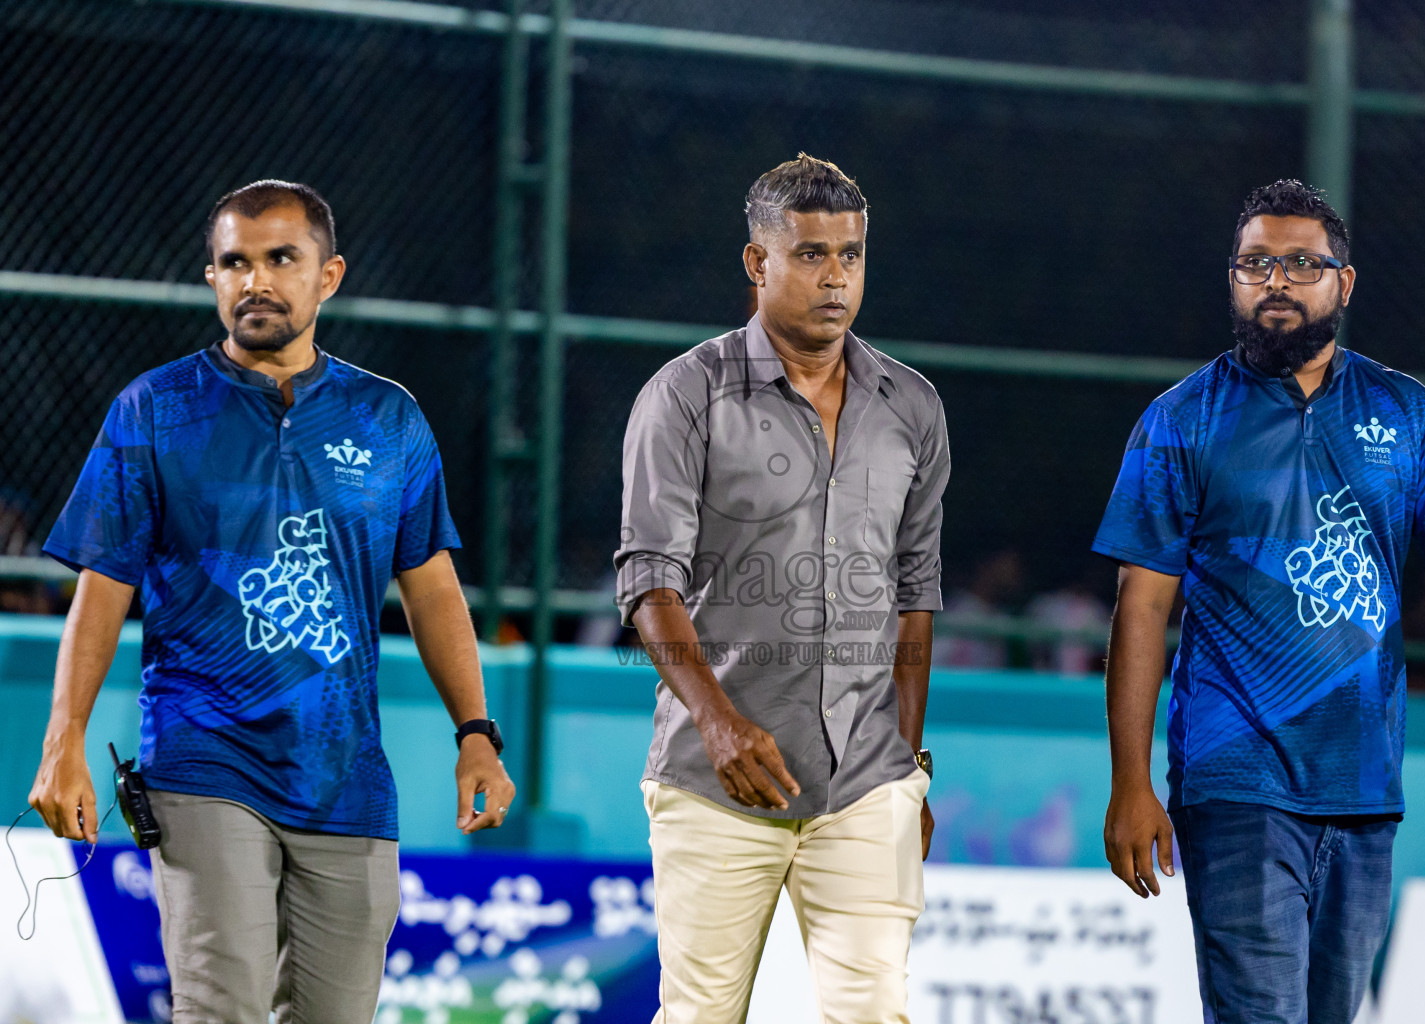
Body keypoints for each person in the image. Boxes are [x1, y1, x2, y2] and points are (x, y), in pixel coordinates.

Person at [28, 180, 516, 1024]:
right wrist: (62, 739)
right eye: (234, 263)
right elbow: (102, 589)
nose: (255, 280)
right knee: (222, 1008)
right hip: (204, 759)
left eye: (280, 259)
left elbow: (432, 587)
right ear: (212, 278)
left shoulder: (388, 418)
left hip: (349, 779)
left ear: (327, 276)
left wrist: (476, 734)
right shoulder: (153, 411)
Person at [1093, 179, 1425, 1024]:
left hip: (1366, 785)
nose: (1277, 280)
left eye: (1302, 263)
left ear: (1345, 282)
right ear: (1232, 278)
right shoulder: (1182, 420)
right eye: (1255, 263)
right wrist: (1130, 783)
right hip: (1236, 781)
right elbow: (1141, 608)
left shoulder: (1405, 413)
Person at [614, 153, 950, 1023]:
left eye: (851, 255)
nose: (835, 277)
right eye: (810, 255)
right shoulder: (686, 397)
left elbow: (916, 595)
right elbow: (648, 580)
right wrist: (716, 722)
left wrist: (907, 770)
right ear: (758, 264)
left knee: (874, 1013)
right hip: (717, 782)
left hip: (867, 784)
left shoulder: (912, 406)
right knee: (698, 1015)